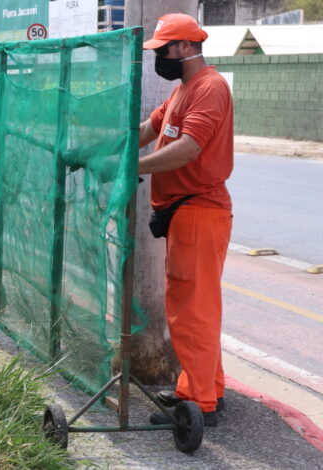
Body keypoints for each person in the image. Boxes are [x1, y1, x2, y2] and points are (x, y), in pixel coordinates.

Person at [137, 13, 233, 426]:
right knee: (197, 306)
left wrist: (132, 167)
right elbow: (149, 128)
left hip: (199, 209)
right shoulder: (183, 91)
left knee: (191, 310)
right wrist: (106, 145)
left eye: (164, 48)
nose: (159, 56)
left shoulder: (209, 88)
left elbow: (189, 148)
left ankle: (199, 402)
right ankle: (207, 388)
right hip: (185, 212)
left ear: (188, 48)